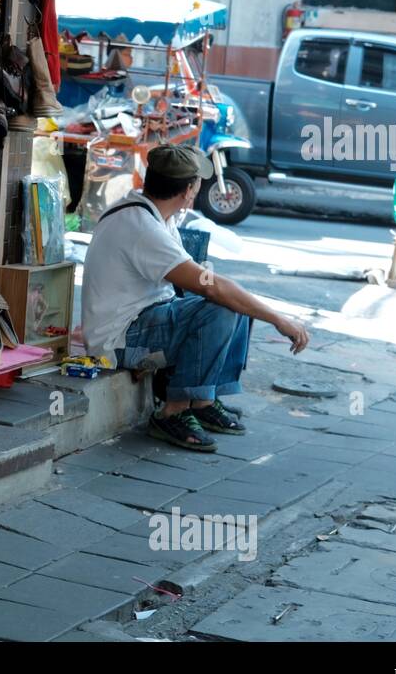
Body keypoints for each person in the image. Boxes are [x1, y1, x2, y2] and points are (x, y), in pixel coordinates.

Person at [81, 144, 311, 452]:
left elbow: (203, 284)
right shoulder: (141, 226)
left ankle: (203, 400)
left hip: (145, 321)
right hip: (122, 343)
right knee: (222, 304)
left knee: (234, 300)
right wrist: (278, 319)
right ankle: (172, 412)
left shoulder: (153, 214)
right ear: (189, 191)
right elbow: (209, 288)